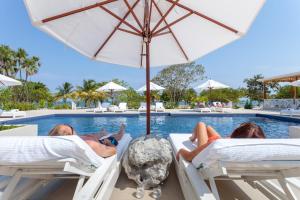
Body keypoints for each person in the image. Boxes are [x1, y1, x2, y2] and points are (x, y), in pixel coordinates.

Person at [176, 122, 265, 162]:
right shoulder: (258, 146)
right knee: (208, 128)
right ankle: (194, 136)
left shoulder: (216, 144)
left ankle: (193, 137)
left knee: (201, 124)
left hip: (212, 146)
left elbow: (189, 157)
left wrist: (180, 151)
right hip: (224, 142)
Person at [48, 124, 125, 158]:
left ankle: (102, 132)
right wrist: (109, 143)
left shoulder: (53, 144)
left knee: (92, 135)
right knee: (116, 136)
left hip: (93, 139)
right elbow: (113, 151)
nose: (73, 128)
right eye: (71, 128)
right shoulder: (88, 144)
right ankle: (121, 130)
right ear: (70, 135)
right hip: (102, 143)